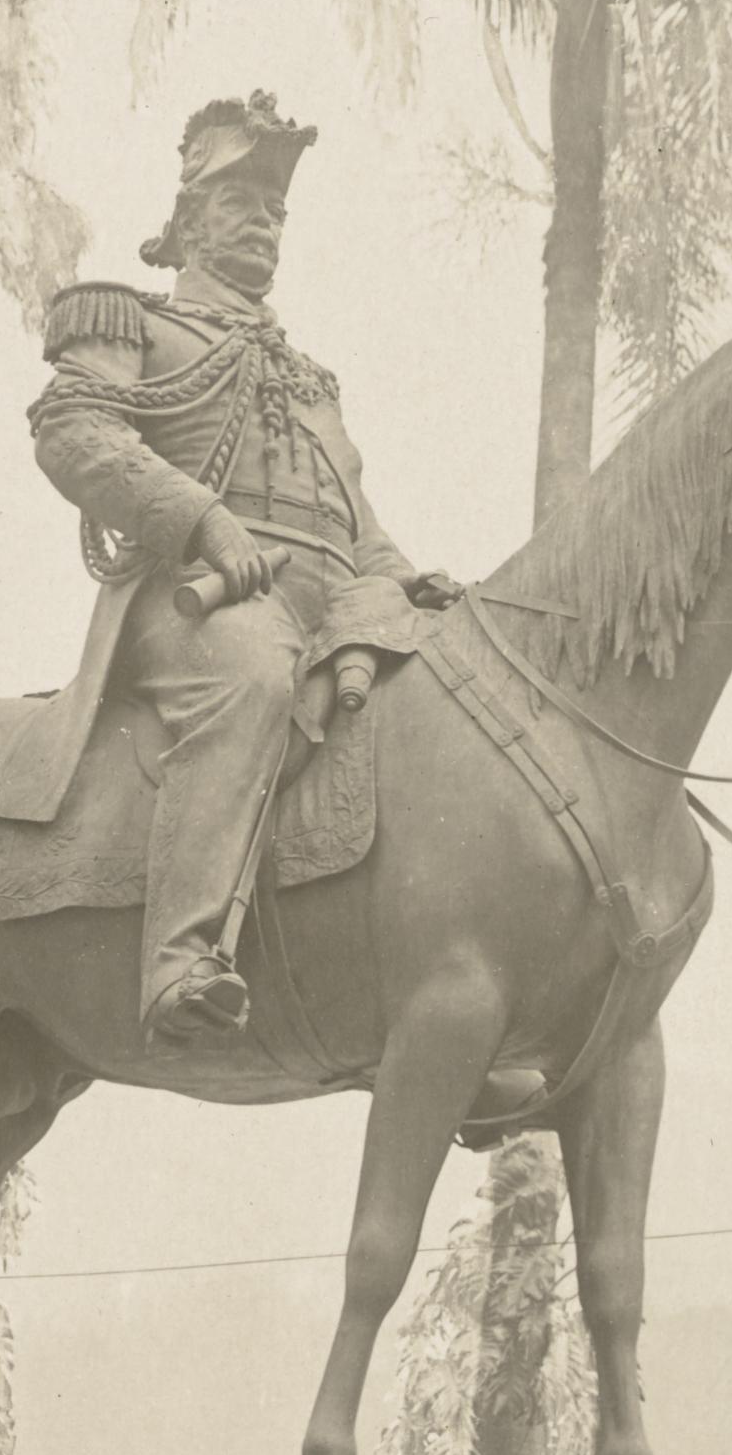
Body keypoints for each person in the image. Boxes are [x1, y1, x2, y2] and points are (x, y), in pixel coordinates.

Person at [28, 93, 455, 1044]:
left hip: (334, 609)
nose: (263, 222)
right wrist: (204, 521)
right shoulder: (135, 326)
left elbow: (354, 521)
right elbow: (73, 432)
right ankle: (179, 959)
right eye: (239, 204)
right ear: (187, 224)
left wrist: (409, 583)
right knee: (256, 676)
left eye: (274, 210)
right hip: (200, 602)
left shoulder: (310, 377)